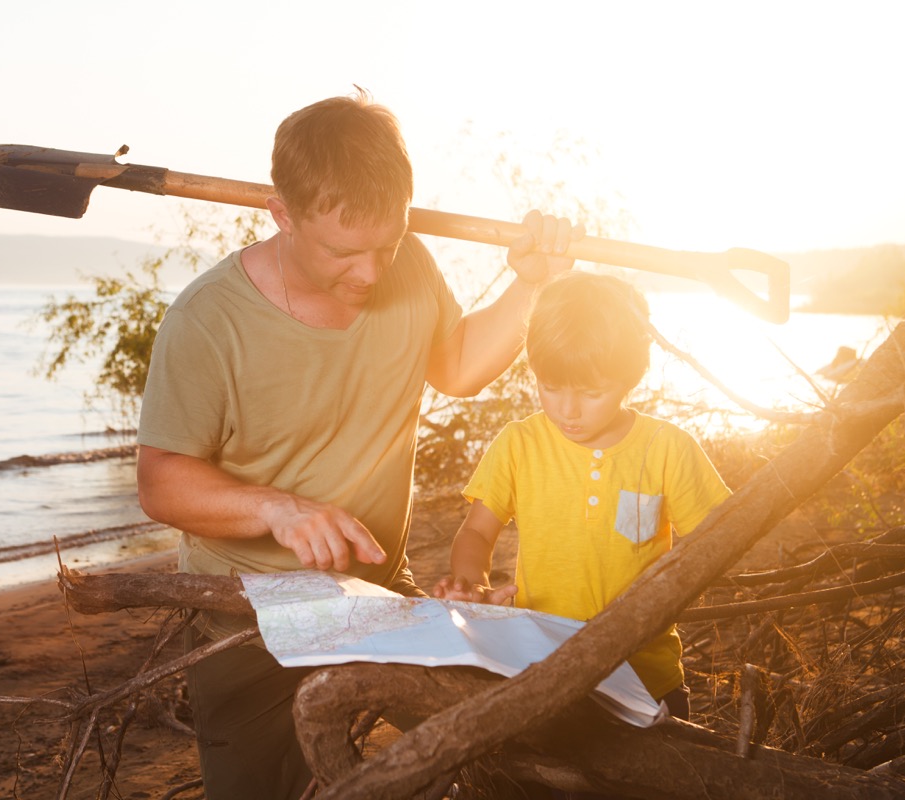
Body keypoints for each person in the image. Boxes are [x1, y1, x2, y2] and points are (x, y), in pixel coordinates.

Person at [135, 88, 581, 800]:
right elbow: (161, 481)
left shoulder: (407, 267)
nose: (372, 273)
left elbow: (459, 365)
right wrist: (277, 509)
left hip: (381, 595)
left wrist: (529, 286)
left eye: (388, 243)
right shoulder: (208, 320)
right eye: (345, 251)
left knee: (507, 744)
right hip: (249, 612)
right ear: (281, 215)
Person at [433, 270, 732, 724]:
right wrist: (472, 583)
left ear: (630, 376)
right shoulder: (520, 444)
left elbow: (716, 545)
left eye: (591, 393)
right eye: (550, 388)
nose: (567, 410)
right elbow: (476, 530)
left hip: (646, 678)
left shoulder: (667, 449)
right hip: (543, 670)